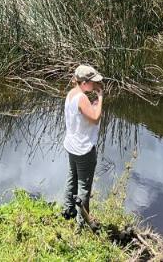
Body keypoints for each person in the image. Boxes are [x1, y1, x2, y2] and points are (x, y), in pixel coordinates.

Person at [62, 63, 104, 223]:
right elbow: (95, 118)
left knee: (72, 177)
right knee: (84, 186)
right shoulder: (82, 98)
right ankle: (82, 223)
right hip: (83, 149)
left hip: (72, 145)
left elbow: (82, 115)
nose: (95, 84)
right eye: (93, 82)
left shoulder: (71, 94)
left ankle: (68, 211)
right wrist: (100, 99)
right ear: (84, 83)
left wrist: (92, 106)